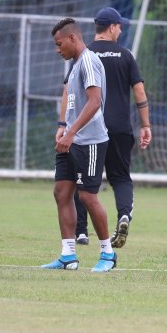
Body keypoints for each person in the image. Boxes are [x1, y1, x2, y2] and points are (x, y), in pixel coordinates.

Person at [72, 7, 151, 249]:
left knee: (82, 179)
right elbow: (139, 92)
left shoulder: (84, 54)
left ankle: (81, 232)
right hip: (119, 128)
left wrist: (65, 124)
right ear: (112, 27)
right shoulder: (126, 55)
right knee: (121, 177)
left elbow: (70, 91)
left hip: (90, 128)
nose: (121, 30)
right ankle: (124, 215)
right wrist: (145, 125)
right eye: (120, 26)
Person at [42, 18, 115, 272]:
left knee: (87, 196)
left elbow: (95, 101)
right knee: (61, 192)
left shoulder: (88, 61)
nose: (57, 49)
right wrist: (63, 126)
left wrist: (71, 132)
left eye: (59, 43)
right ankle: (68, 255)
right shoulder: (74, 66)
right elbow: (73, 101)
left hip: (90, 141)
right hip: (70, 140)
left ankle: (108, 254)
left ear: (72, 38)